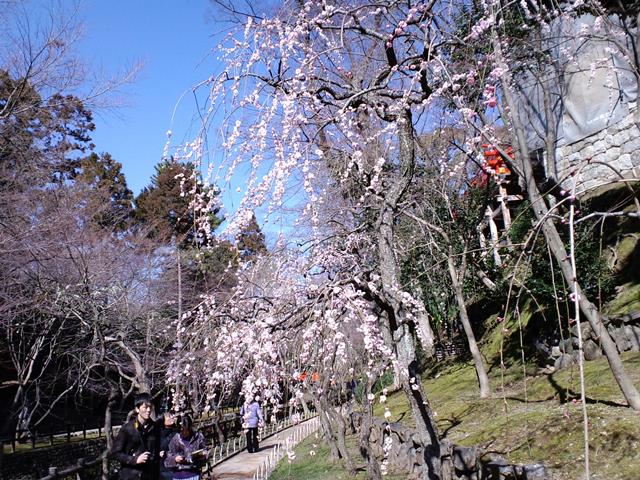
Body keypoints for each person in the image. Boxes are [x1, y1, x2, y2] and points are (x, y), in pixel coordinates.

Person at [110, 393, 160, 480]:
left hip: (149, 475)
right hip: (130, 475)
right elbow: (115, 453)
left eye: (150, 407)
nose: (148, 410)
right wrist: (135, 459)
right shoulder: (127, 428)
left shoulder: (155, 428)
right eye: (145, 407)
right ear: (137, 409)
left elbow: (157, 450)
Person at [166, 415, 208, 480]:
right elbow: (167, 460)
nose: (183, 433)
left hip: (194, 474)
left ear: (190, 427)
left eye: (186, 430)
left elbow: (205, 451)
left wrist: (204, 455)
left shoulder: (198, 437)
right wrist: (174, 459)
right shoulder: (175, 439)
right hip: (178, 476)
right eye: (181, 430)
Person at [158, 412, 178, 480]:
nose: (172, 417)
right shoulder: (159, 433)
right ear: (162, 421)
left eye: (171, 415)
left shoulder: (176, 430)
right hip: (165, 467)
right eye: (168, 416)